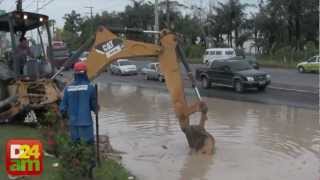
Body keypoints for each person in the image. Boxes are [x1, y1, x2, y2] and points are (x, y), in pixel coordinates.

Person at [59, 61, 98, 178]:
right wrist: (96, 108)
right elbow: (94, 107)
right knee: (88, 148)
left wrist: (65, 117)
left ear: (75, 73)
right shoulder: (90, 88)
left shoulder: (68, 88)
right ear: (85, 73)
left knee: (76, 147)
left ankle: (77, 170)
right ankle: (89, 173)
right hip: (86, 124)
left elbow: (62, 108)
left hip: (73, 124)